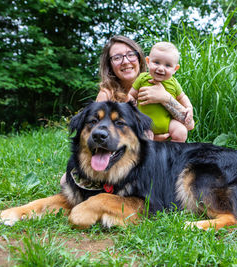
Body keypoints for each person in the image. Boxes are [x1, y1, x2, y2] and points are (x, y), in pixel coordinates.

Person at [60, 36, 192, 184]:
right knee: (66, 180)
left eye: (130, 55)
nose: (126, 61)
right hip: (131, 158)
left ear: (139, 58)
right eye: (117, 57)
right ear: (109, 64)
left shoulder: (165, 84)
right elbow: (96, 133)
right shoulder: (107, 95)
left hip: (165, 157)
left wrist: (166, 98)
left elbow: (189, 125)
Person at [128, 42, 194, 142]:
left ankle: (172, 153)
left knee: (181, 131)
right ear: (148, 61)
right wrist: (131, 102)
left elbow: (182, 97)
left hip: (167, 123)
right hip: (145, 124)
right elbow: (131, 94)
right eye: (157, 62)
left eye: (168, 65)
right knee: (144, 138)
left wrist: (189, 107)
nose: (161, 68)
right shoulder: (142, 78)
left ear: (175, 69)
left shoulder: (173, 83)